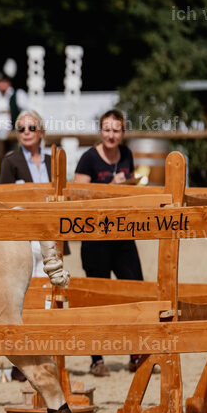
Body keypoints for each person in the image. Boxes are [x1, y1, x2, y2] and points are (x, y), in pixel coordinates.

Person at [74, 109, 143, 377]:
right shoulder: (88, 158)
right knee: (96, 299)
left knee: (134, 291)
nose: (111, 134)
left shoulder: (127, 155)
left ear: (122, 133)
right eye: (107, 129)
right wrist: (110, 188)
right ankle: (96, 359)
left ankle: (136, 353)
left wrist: (129, 186)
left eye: (116, 130)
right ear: (100, 131)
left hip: (123, 233)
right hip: (95, 238)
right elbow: (79, 197)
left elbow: (131, 185)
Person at [0, 109, 52, 383]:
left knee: (48, 297)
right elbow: (1, 202)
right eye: (21, 128)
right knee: (23, 298)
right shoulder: (10, 162)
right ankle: (20, 362)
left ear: (41, 131)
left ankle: (44, 356)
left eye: (31, 127)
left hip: (50, 238)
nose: (27, 132)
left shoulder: (54, 162)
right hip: (23, 240)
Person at [0, 71, 29, 142]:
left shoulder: (17, 94)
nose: (3, 84)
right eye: (0, 82)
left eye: (5, 82)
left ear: (9, 83)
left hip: (13, 132)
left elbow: (27, 112)